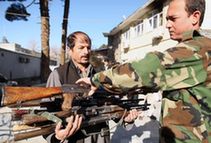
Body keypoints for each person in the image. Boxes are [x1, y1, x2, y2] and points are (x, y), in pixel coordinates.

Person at [76, 0, 211, 142]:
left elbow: (145, 69)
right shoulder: (202, 48)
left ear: (195, 17)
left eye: (173, 18)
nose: (167, 25)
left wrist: (96, 80)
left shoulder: (195, 50)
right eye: (166, 19)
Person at [45, 31, 138, 143]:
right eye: (81, 47)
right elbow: (46, 111)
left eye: (88, 48)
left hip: (101, 137)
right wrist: (56, 137)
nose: (86, 51)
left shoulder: (101, 75)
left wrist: (125, 118)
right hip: (74, 139)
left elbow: (110, 103)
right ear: (70, 51)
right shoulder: (58, 74)